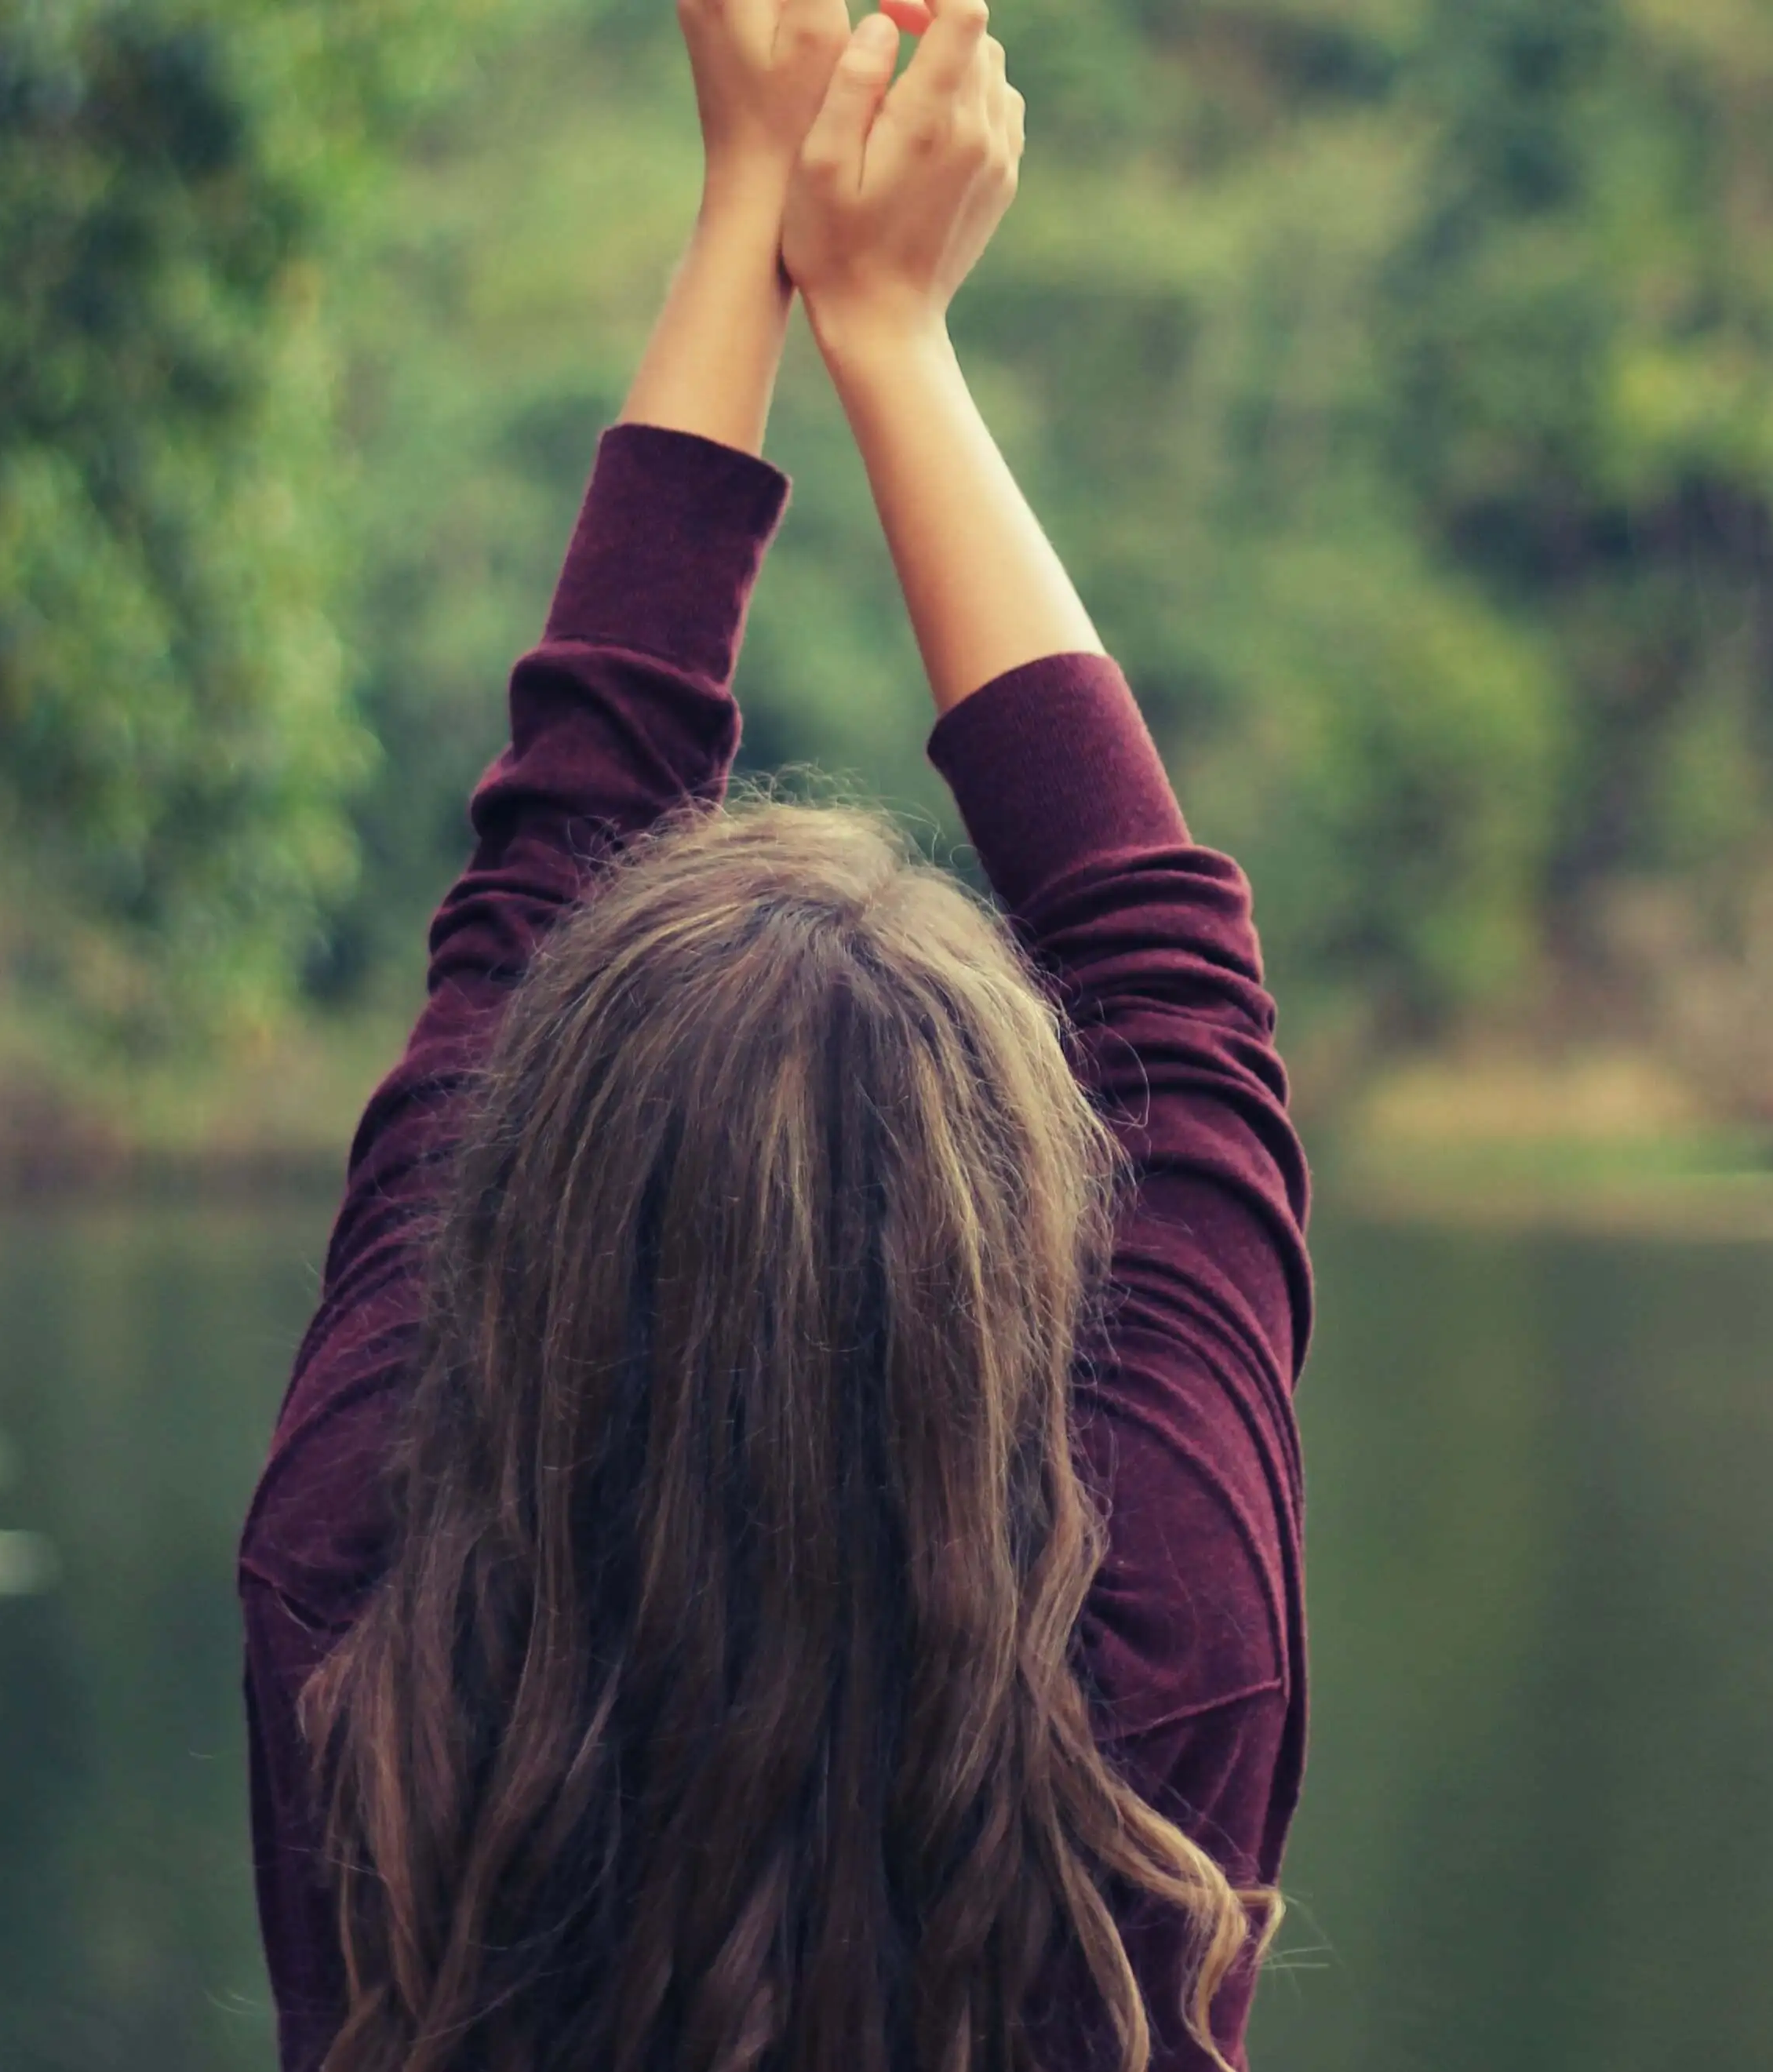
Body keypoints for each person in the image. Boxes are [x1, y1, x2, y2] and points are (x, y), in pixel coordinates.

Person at [237, 0, 1312, 2065]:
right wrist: (878, 319)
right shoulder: (1148, 1730)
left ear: (526, 1216)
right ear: (1020, 1255)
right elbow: (1184, 1001)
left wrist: (756, 215)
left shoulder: (362, 1665)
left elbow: (544, 854)